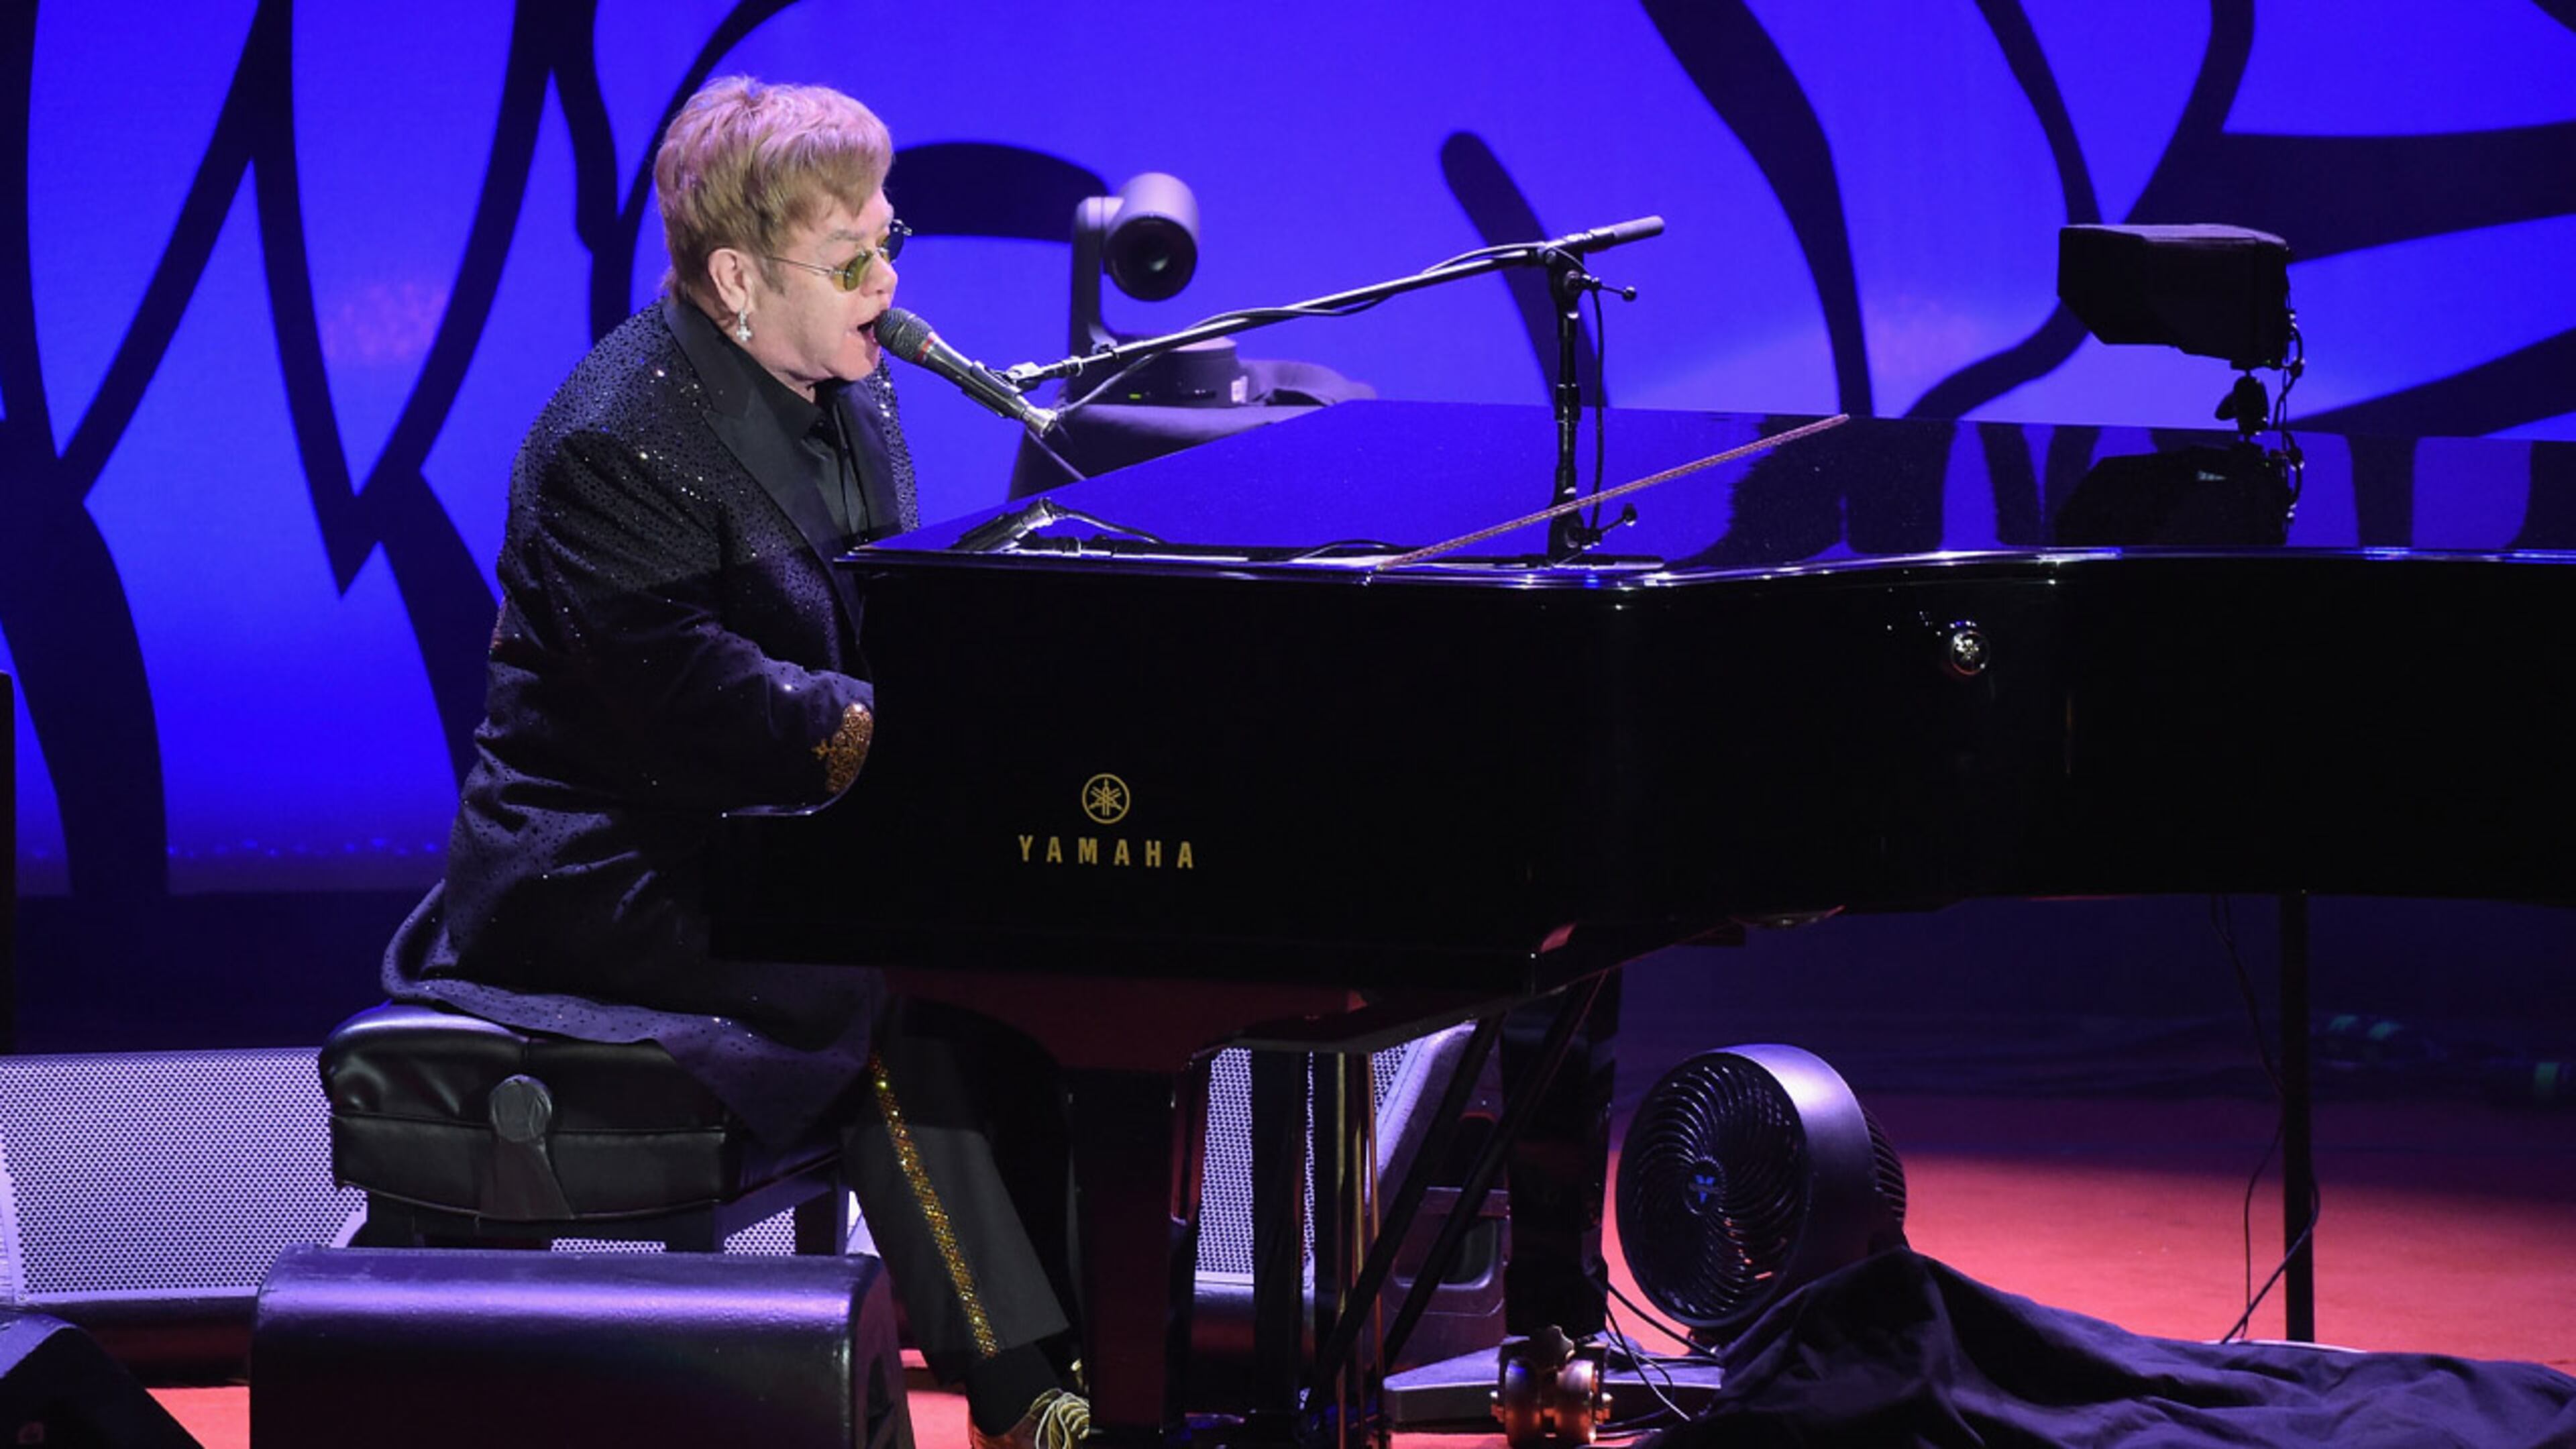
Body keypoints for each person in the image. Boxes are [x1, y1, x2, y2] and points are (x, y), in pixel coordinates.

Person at [382, 76, 1083, 1449]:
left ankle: (1113, 1353)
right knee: (874, 977)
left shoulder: (844, 386)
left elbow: (880, 610)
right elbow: (704, 703)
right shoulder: (607, 440)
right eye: (853, 258)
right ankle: (1026, 1398)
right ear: (733, 278)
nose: (888, 279)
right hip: (603, 867)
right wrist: (919, 737)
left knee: (1026, 960)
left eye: (892, 240)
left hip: (769, 833)